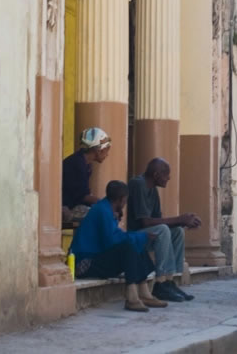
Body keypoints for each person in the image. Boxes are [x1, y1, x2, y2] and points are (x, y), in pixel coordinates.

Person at [70, 180, 165, 312]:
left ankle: (144, 292)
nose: (125, 204)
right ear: (121, 200)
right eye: (125, 200)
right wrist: (142, 236)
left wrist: (139, 238)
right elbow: (112, 241)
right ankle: (132, 296)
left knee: (136, 244)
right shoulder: (102, 210)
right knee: (128, 245)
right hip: (84, 264)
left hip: (96, 258)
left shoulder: (106, 208)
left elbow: (115, 237)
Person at [127, 158, 201, 303]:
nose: (169, 178)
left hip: (148, 233)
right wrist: (180, 218)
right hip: (135, 236)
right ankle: (160, 283)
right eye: (166, 174)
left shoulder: (153, 189)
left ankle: (169, 281)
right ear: (156, 175)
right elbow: (145, 221)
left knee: (177, 231)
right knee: (163, 229)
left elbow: (158, 219)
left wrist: (183, 223)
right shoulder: (138, 184)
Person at [61, 127, 112, 226]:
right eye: (106, 149)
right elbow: (82, 196)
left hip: (73, 204)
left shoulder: (85, 164)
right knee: (104, 215)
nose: (107, 154)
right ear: (98, 150)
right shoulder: (76, 163)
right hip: (66, 206)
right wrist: (107, 205)